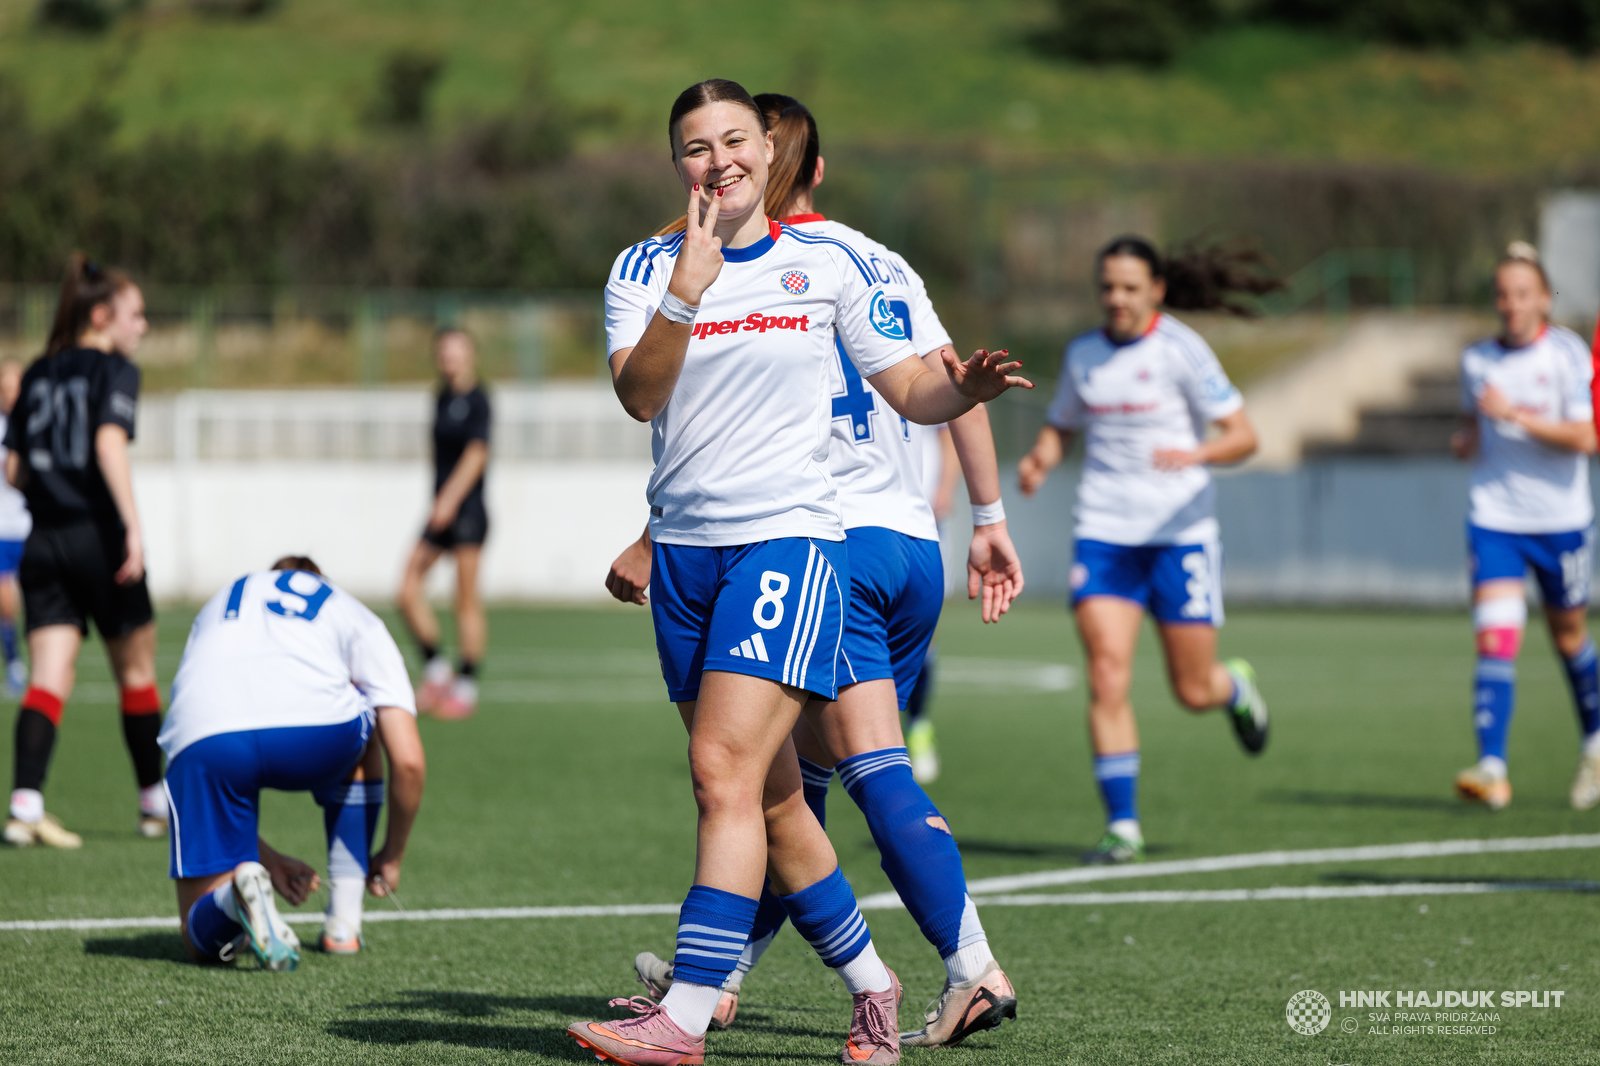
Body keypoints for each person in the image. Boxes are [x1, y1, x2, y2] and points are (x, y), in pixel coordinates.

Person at [568, 79, 1027, 1066]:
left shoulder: (823, 265)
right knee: (774, 796)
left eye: (738, 141)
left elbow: (908, 382)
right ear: (677, 163)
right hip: (687, 557)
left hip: (793, 546)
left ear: (770, 158)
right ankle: (873, 986)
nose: (721, 159)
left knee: (719, 769)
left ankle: (685, 1014)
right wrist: (686, 288)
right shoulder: (643, 266)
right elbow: (641, 398)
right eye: (698, 146)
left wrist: (963, 390)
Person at [1018, 235, 1272, 865]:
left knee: (1192, 690)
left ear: (1156, 289)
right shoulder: (1084, 355)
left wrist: (1198, 453)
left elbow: (1244, 436)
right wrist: (1041, 459)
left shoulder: (1181, 349)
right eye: (1108, 287)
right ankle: (1123, 826)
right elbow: (1062, 425)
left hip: (1179, 538)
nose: (1117, 299)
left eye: (1130, 287)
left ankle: (1233, 688)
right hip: (1104, 534)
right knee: (1106, 673)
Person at [161, 556, 425, 968]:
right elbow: (408, 762)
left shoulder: (222, 601)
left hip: (203, 735)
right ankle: (344, 920)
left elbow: (205, 708)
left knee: (202, 941)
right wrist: (391, 855)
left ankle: (234, 898)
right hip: (316, 730)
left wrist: (259, 858)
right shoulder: (349, 609)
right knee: (369, 718)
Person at [2, 255, 166, 849]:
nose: (142, 326)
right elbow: (107, 443)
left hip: (42, 543)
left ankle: (24, 805)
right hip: (98, 538)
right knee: (138, 672)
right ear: (102, 315)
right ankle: (153, 804)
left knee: (47, 677)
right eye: (136, 314)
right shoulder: (114, 371)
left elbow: (14, 471)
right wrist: (132, 528)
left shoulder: (37, 374)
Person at [1450, 243, 1600, 811]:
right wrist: (1466, 441)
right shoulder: (1476, 361)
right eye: (1502, 294)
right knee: (1495, 639)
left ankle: (1595, 744)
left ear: (1543, 298)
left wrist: (1516, 415)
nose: (1510, 304)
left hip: (1560, 522)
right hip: (1495, 519)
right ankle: (1492, 768)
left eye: (1521, 293)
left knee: (1569, 637)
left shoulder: (1566, 355)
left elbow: (1586, 439)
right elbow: (1471, 428)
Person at [397, 328, 490, 721]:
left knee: (463, 600)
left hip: (465, 512)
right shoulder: (440, 396)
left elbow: (476, 454)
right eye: (444, 352)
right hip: (440, 510)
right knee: (406, 590)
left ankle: (466, 685)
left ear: (470, 355)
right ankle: (437, 671)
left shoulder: (478, 400)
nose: (449, 358)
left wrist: (449, 500)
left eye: (457, 351)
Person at [904, 425, 961, 784]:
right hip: (858, 518)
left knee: (924, 634)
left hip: (923, 518)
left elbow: (951, 428)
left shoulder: (924, 365)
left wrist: (945, 488)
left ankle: (918, 727)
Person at [0, 359, 32, 696]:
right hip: (2, 529)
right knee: (5, 600)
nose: (11, 395)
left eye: (16, 387)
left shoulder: (34, 425)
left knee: (38, 601)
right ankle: (13, 662)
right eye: (5, 389)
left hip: (31, 526)